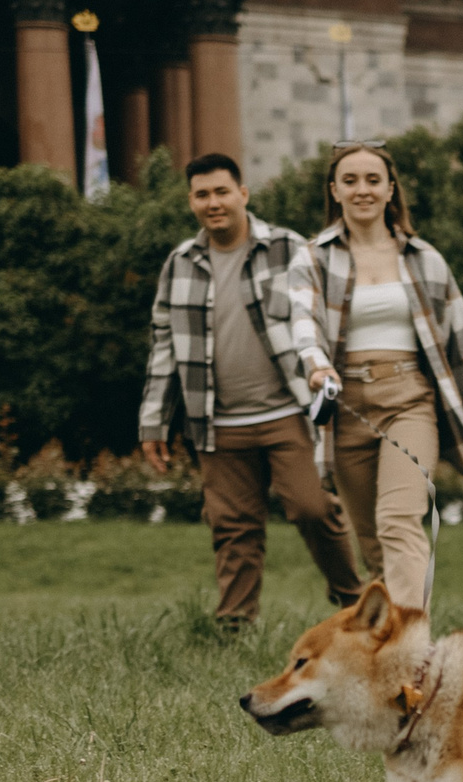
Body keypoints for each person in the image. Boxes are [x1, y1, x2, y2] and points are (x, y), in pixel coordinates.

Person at [294, 142, 463, 610]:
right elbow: (302, 322)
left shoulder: (424, 259)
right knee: (374, 545)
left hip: (409, 402)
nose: (363, 190)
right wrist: (315, 364)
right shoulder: (312, 258)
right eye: (351, 181)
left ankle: (413, 646)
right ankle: (387, 653)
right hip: (347, 404)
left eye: (373, 180)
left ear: (390, 189)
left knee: (399, 519)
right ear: (334, 191)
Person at [139, 153, 361, 631]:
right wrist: (154, 421)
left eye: (222, 192)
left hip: (287, 412)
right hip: (216, 422)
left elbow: (322, 319)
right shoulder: (180, 264)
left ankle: (355, 604)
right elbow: (163, 348)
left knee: (313, 507)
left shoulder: (287, 249)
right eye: (202, 195)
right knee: (232, 525)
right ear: (191, 202)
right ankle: (235, 623)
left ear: (243, 194)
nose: (213, 203)